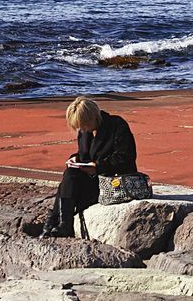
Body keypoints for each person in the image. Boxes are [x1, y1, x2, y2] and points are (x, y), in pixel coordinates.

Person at [41, 96, 138, 237]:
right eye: (79, 126)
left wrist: (98, 166)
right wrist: (75, 159)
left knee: (67, 182)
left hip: (113, 181)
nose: (82, 129)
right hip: (94, 179)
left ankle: (53, 222)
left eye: (84, 125)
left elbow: (126, 157)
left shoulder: (117, 125)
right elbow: (85, 155)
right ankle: (63, 223)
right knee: (69, 174)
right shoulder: (84, 131)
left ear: (93, 117)